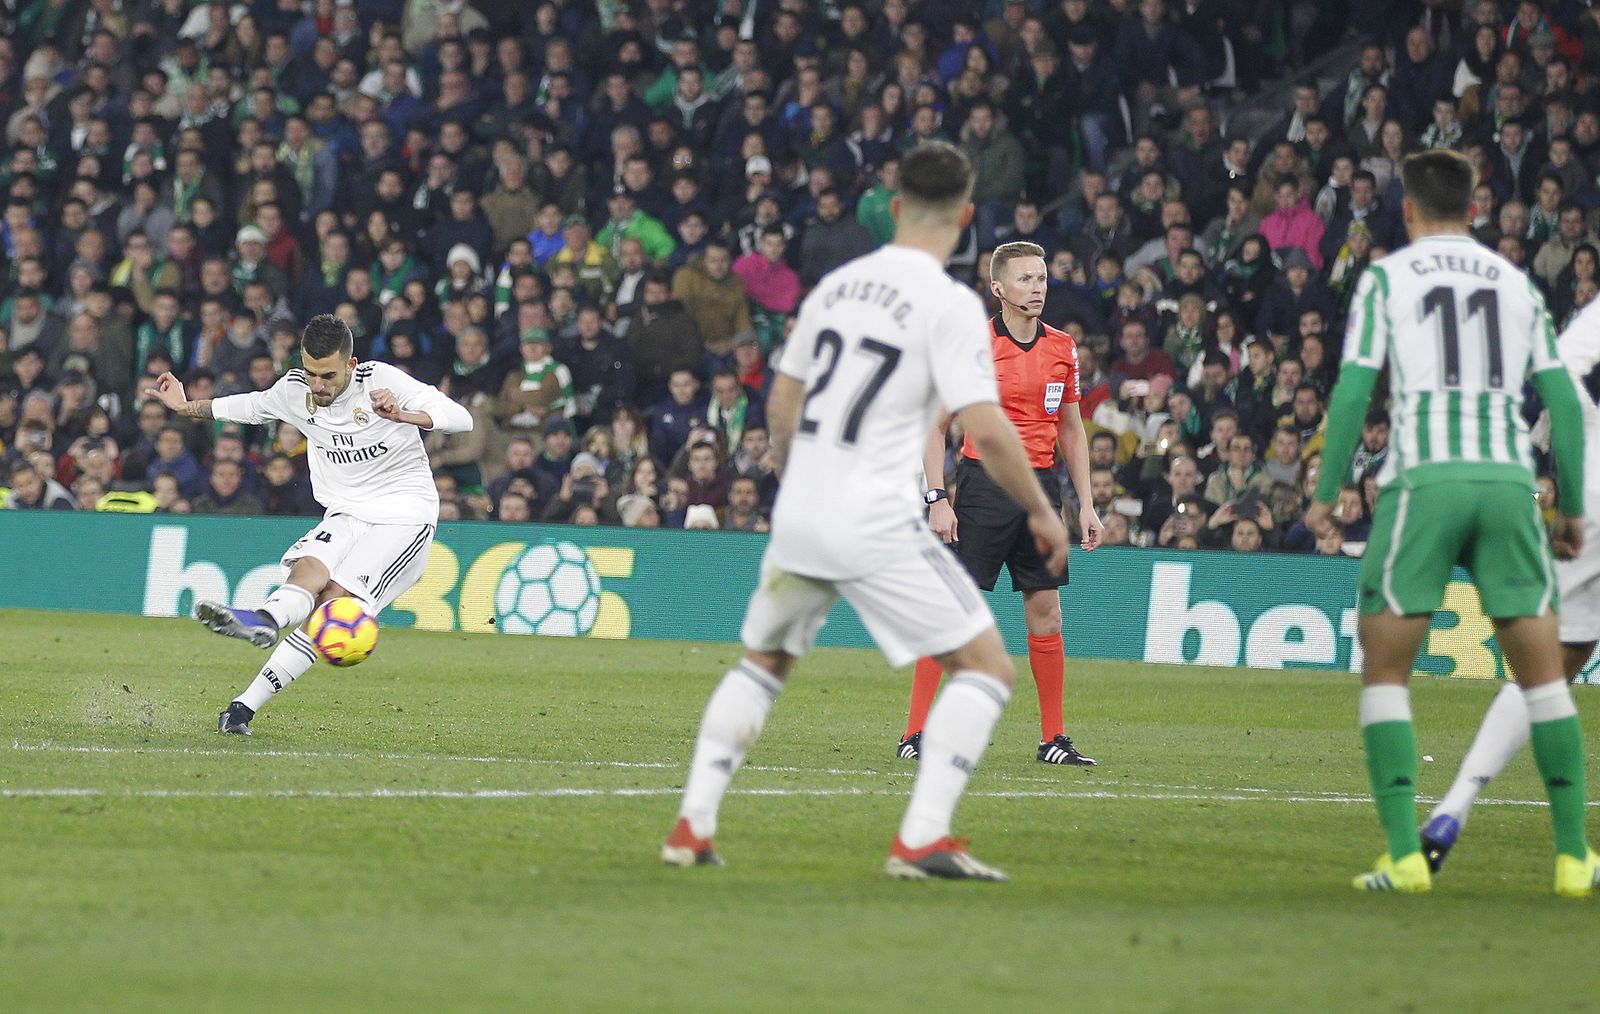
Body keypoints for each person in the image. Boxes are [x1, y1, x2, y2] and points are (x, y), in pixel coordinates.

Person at [662, 141, 1070, 881]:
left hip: (805, 506)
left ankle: (693, 823)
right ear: (966, 218)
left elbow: (782, 401)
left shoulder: (837, 287)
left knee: (764, 663)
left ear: (896, 207)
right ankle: (921, 837)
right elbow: (984, 426)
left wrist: (791, 479)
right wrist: (1041, 509)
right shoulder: (949, 305)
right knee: (986, 667)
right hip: (874, 514)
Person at [1305, 149, 1595, 896]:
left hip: (1423, 484)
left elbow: (1353, 391)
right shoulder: (1516, 282)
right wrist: (1570, 508)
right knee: (1545, 676)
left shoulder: (1386, 278)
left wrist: (1328, 490)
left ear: (1406, 208)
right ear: (1475, 208)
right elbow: (1564, 404)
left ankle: (1406, 857)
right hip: (1508, 485)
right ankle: (1573, 858)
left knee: (1386, 671)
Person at [142, 315, 474, 735]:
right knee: (309, 568)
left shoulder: (380, 380)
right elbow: (247, 406)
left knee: (331, 602)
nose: (318, 385)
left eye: (328, 376)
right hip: (345, 512)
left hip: (403, 516)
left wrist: (405, 415)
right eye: (311, 372)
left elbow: (461, 417)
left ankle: (248, 701)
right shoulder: (294, 390)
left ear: (351, 365)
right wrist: (184, 406)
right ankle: (264, 625)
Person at [1417, 264, 1600, 876]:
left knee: (1546, 670)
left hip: (1592, 497)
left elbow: (1561, 369)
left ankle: (1454, 806)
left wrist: (1564, 442)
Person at [900, 240, 1103, 767]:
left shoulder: (1063, 347)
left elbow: (1071, 430)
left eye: (1042, 277)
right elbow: (935, 426)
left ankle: (1053, 739)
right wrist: (936, 496)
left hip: (1041, 491)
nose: (1037, 287)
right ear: (998, 289)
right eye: (1025, 279)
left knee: (1046, 612)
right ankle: (915, 733)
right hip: (984, 487)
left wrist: (1086, 503)